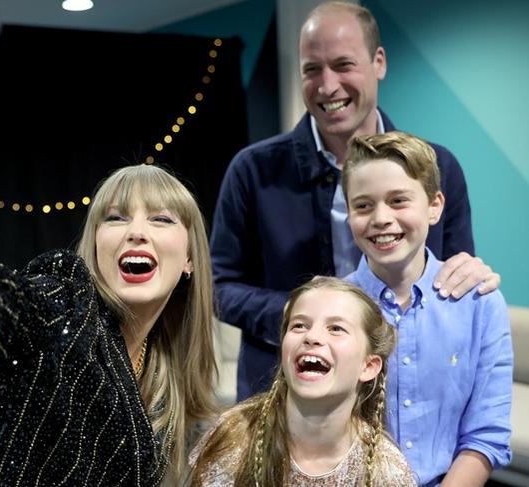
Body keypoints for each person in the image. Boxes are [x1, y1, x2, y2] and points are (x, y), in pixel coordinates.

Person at [0, 22, 218, 486]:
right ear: (94, 243)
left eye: (161, 220)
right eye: (115, 218)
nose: (136, 233)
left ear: (190, 260)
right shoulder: (63, 303)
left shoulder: (165, 375)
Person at [210, 0, 501, 400]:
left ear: (378, 62)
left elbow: (454, 276)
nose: (327, 86)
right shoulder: (252, 170)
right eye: (312, 69)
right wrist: (305, 316)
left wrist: (472, 274)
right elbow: (219, 286)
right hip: (282, 395)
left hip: (407, 394)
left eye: (343, 65)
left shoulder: (440, 167)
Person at [342, 131, 512, 486]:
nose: (381, 218)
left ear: (435, 206)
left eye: (399, 200)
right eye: (363, 205)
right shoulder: (332, 308)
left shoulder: (480, 305)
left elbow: (486, 435)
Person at [189, 276, 417, 486]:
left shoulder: (387, 471)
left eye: (336, 328)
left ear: (368, 366)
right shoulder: (234, 437)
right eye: (299, 325)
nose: (312, 337)